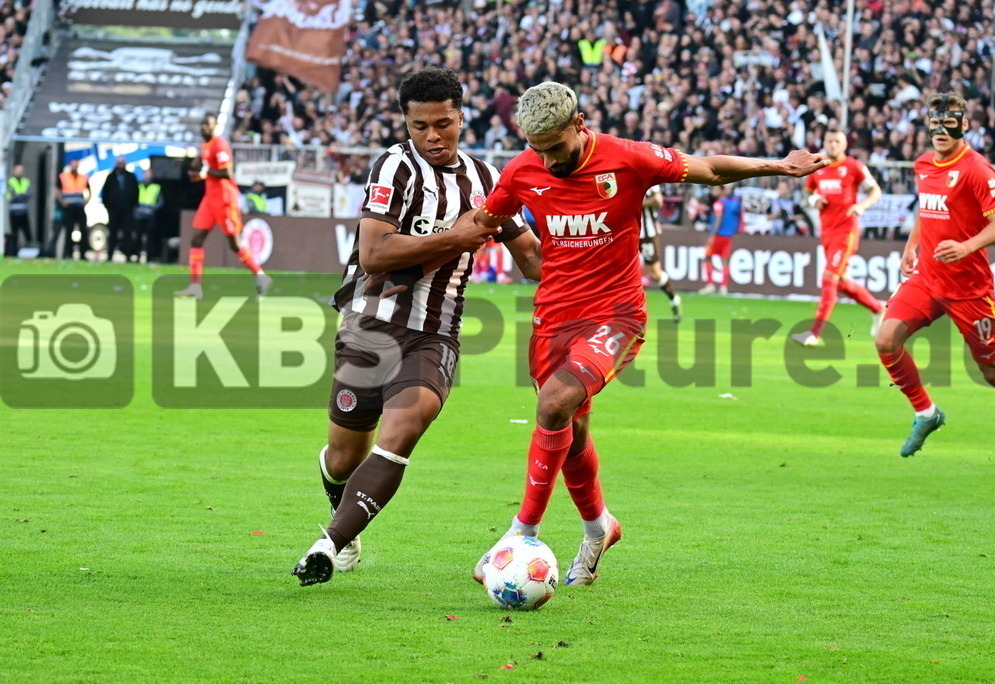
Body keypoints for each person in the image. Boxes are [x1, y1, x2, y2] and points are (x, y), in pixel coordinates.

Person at [458, 82, 827, 586]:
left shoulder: (628, 158)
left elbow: (710, 170)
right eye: (537, 149)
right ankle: (599, 528)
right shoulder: (523, 170)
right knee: (569, 431)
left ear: (579, 124)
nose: (548, 160)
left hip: (616, 316)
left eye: (556, 147)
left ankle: (521, 533)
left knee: (552, 404)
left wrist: (779, 166)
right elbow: (485, 221)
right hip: (553, 318)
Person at [291, 67, 541, 586]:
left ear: (461, 118)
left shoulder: (488, 180)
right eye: (420, 126)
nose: (433, 136)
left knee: (404, 427)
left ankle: (327, 545)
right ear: (407, 124)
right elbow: (375, 253)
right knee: (343, 458)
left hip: (435, 331)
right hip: (369, 325)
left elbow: (532, 259)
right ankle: (343, 512)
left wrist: (596, 250)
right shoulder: (394, 167)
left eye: (443, 124)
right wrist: (457, 236)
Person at [874, 94, 995, 476]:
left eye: (949, 122)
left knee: (993, 371)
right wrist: (911, 246)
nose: (941, 130)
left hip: (969, 289)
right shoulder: (924, 164)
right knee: (886, 340)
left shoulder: (977, 169)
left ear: (964, 125)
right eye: (935, 122)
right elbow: (927, 209)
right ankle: (926, 413)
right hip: (928, 277)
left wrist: (966, 246)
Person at [790, 129, 884, 346]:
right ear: (824, 142)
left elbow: (875, 191)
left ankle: (814, 334)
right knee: (840, 283)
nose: (833, 145)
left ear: (844, 144)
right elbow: (807, 193)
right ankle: (878, 308)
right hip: (826, 233)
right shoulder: (817, 167)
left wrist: (861, 206)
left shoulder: (854, 166)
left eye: (837, 141)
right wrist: (813, 200)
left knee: (828, 278)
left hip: (846, 232)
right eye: (830, 141)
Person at [175, 113, 271, 300]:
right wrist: (197, 170)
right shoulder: (205, 146)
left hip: (225, 199)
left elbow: (227, 173)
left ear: (215, 126)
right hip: (210, 199)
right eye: (202, 124)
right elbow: (204, 167)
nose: (203, 127)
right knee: (196, 239)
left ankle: (261, 276)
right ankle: (195, 286)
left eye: (207, 124)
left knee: (234, 244)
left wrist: (204, 172)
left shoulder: (220, 145)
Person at [639, 185, 682, 322]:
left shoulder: (649, 179)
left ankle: (673, 299)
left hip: (647, 233)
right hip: (627, 232)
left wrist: (636, 203)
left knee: (655, 273)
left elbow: (658, 200)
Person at [697, 184, 743, 295]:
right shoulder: (729, 202)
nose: (713, 191)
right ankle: (723, 287)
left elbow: (718, 221)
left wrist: (712, 236)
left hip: (718, 235)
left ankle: (710, 285)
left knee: (707, 257)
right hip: (728, 236)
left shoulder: (719, 203)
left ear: (721, 190)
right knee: (724, 261)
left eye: (715, 188)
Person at [101, 156, 139, 262]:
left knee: (128, 233)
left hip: (127, 210)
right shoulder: (111, 177)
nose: (120, 164)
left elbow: (136, 192)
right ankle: (110, 255)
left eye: (122, 162)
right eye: (119, 162)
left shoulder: (131, 176)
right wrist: (107, 206)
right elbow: (105, 192)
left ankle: (128, 255)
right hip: (114, 210)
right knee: (112, 232)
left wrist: (134, 206)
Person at [54, 158, 90, 259]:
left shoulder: (83, 177)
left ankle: (82, 254)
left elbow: (89, 190)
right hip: (69, 207)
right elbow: (57, 190)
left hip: (79, 207)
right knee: (69, 230)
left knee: (83, 230)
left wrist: (86, 202)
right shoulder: (63, 177)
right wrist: (62, 202)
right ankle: (68, 253)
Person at [135, 169, 163, 263]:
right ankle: (137, 255)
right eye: (146, 174)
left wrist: (154, 208)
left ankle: (149, 257)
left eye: (149, 175)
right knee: (138, 236)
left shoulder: (156, 187)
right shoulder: (138, 185)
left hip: (150, 215)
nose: (147, 176)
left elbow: (161, 201)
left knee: (150, 238)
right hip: (139, 215)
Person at [5, 164, 31, 257]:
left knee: (28, 233)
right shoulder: (10, 181)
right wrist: (20, 196)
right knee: (14, 233)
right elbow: (11, 195)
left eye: (21, 171)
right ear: (14, 171)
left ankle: (29, 252)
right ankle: (13, 253)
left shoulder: (26, 181)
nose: (19, 172)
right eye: (18, 171)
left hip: (24, 211)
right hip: (14, 212)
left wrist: (19, 196)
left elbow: (29, 194)